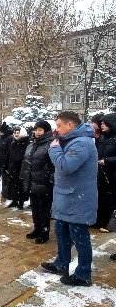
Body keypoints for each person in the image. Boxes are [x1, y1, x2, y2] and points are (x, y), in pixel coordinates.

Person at [41, 111, 97, 286]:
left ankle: (83, 274)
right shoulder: (72, 140)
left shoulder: (81, 143)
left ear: (70, 125)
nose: (56, 129)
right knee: (61, 231)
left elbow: (65, 166)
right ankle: (61, 263)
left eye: (58, 126)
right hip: (67, 197)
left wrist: (55, 149)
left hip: (78, 200)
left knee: (79, 237)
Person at [20, 120, 54, 243]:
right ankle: (37, 229)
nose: (37, 132)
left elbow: (53, 166)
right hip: (32, 182)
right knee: (35, 208)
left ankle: (44, 232)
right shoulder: (32, 145)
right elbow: (26, 164)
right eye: (36, 129)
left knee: (44, 209)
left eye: (40, 130)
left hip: (44, 184)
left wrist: (50, 181)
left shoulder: (51, 144)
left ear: (46, 131)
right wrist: (24, 179)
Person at [93, 113, 116, 231]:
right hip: (100, 173)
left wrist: (107, 161)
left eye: (104, 123)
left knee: (109, 200)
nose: (101, 125)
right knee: (99, 198)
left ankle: (106, 224)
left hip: (112, 174)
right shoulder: (102, 137)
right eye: (101, 123)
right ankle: (97, 221)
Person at [5, 127, 30, 209]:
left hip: (21, 168)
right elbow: (9, 155)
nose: (16, 134)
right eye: (15, 133)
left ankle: (21, 202)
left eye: (18, 133)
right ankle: (14, 200)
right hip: (12, 168)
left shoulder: (26, 143)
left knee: (20, 185)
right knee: (13, 185)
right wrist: (6, 165)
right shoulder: (13, 143)